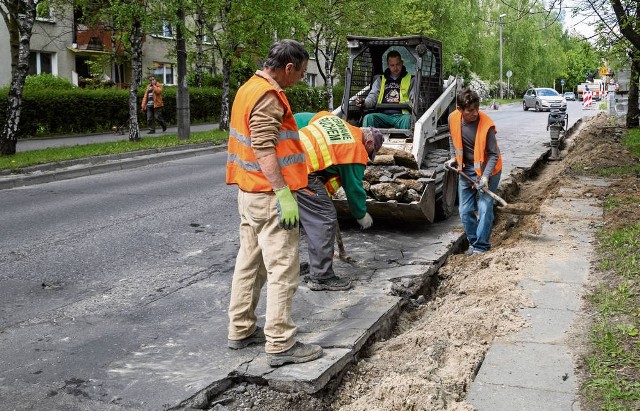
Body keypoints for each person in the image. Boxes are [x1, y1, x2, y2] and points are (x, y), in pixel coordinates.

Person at [225, 39, 323, 367]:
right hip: (268, 196)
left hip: (248, 193)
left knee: (249, 263)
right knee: (282, 268)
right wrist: (283, 193)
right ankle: (280, 342)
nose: (299, 80)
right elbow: (264, 148)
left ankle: (240, 329)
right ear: (289, 68)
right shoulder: (268, 96)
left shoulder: (248, 88)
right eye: (301, 73)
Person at [293, 111, 383, 291]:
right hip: (304, 171)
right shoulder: (356, 149)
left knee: (292, 219)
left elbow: (301, 120)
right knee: (324, 219)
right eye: (370, 152)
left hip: (289, 160)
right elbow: (354, 188)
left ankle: (290, 268)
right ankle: (321, 277)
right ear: (370, 142)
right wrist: (361, 215)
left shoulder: (335, 121)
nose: (367, 156)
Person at [446, 88, 502, 255]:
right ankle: (473, 241)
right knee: (465, 210)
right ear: (460, 109)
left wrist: (485, 177)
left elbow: (493, 154)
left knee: (484, 207)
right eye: (470, 110)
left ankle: (481, 247)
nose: (475, 113)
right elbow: (452, 138)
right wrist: (453, 157)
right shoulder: (453, 118)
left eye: (477, 108)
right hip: (465, 169)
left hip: (488, 171)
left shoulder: (487, 125)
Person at [355, 50, 415, 129]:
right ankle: (369, 140)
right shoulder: (380, 80)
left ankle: (406, 140)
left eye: (397, 64)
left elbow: (414, 99)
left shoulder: (411, 79)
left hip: (402, 116)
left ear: (402, 63)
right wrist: (364, 103)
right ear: (388, 65)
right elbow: (373, 96)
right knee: (369, 118)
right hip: (383, 115)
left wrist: (410, 105)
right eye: (392, 65)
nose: (395, 68)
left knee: (408, 120)